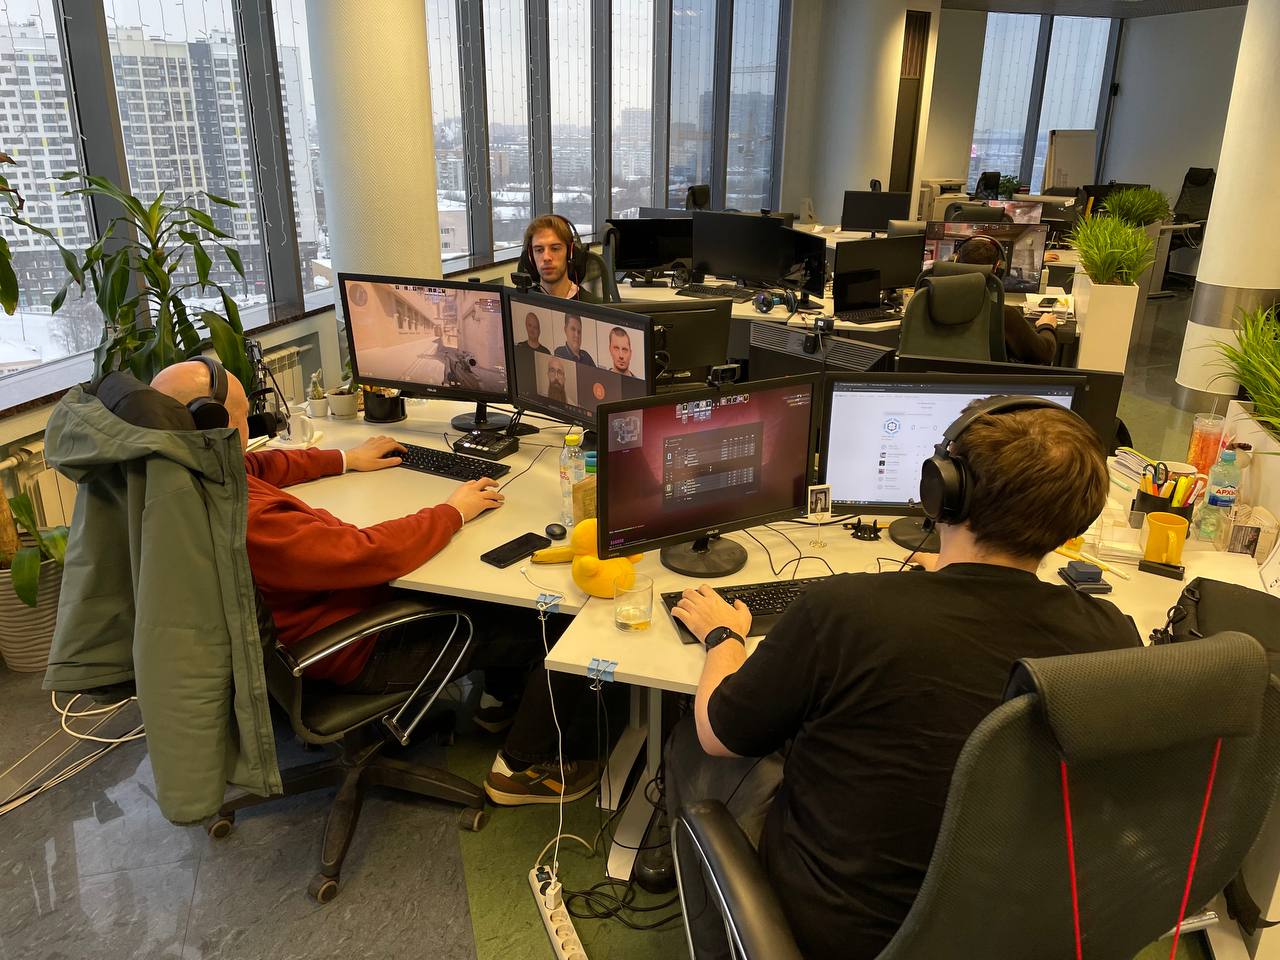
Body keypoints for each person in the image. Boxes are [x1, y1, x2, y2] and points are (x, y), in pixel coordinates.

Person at [664, 403, 1140, 960]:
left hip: (843, 934)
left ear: (943, 491)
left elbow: (719, 734)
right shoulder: (1113, 637)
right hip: (1011, 931)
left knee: (697, 736)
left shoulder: (845, 611)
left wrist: (724, 637)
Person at [149, 360, 599, 806]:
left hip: (312, 621)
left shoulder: (187, 477)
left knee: (489, 593)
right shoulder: (253, 519)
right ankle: (523, 768)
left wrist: (345, 459)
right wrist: (452, 511)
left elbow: (259, 465)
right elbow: (365, 552)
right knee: (551, 624)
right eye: (245, 416)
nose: (254, 427)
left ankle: (499, 707)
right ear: (214, 424)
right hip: (354, 647)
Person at [953, 235, 1059, 365]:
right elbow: (1044, 354)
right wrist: (1046, 325)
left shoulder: (929, 304)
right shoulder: (1004, 315)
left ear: (955, 263)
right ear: (997, 268)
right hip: (985, 378)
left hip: (934, 376)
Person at [523, 214, 600, 303]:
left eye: (555, 249)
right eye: (539, 250)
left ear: (570, 254)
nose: (546, 257)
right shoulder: (520, 303)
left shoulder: (593, 307)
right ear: (530, 257)